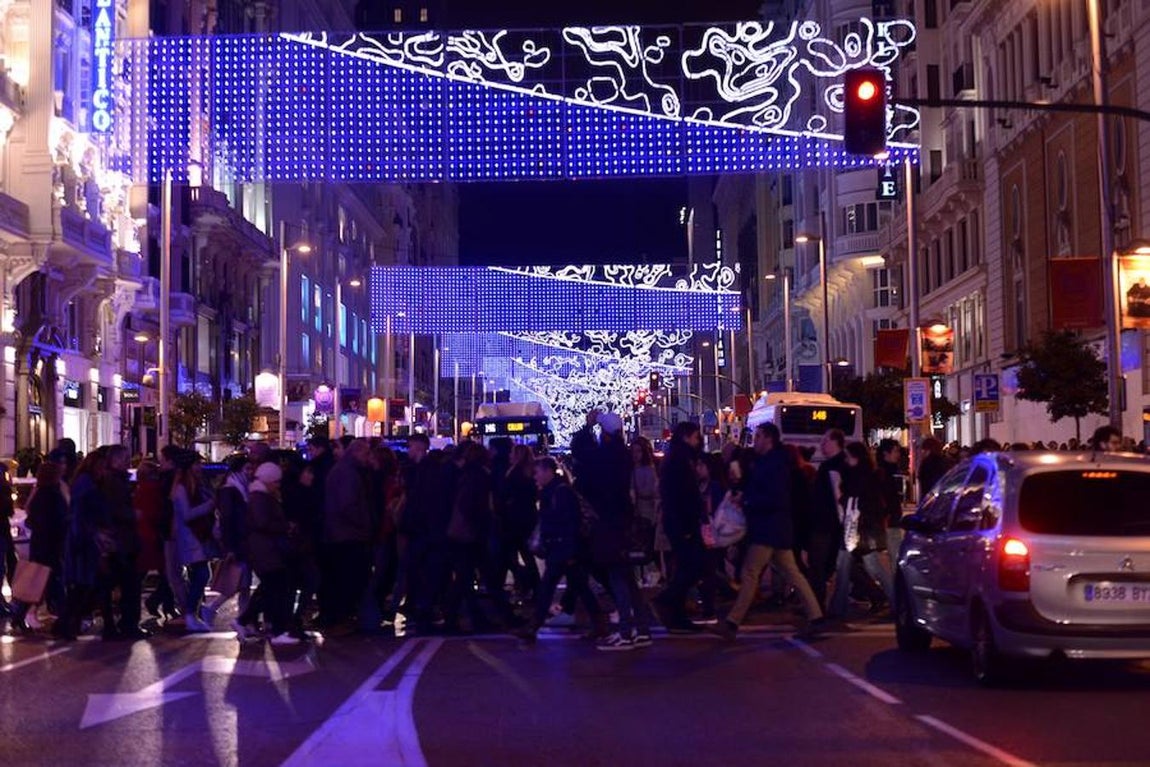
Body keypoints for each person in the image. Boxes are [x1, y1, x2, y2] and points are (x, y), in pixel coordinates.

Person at [712, 424, 824, 640]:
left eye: (758, 437)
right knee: (792, 573)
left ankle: (732, 622)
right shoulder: (771, 461)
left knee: (750, 573)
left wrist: (746, 500)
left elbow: (775, 498)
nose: (755, 440)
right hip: (775, 528)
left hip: (768, 528)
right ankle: (816, 617)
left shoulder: (773, 464)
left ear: (768, 439)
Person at [576, 411, 653, 651]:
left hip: (609, 523)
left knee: (617, 575)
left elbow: (583, 460)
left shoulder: (605, 457)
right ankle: (641, 629)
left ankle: (626, 632)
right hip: (623, 520)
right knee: (628, 578)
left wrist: (586, 429)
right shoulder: (623, 455)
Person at [515, 457, 606, 643]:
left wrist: (568, 548)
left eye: (538, 472)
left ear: (548, 471)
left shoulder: (559, 493)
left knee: (550, 587)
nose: (535, 477)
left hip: (563, 548)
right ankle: (598, 624)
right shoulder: (557, 491)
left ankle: (534, 626)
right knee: (577, 587)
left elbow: (571, 523)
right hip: (562, 547)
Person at [234, 462, 299, 645]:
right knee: (274, 587)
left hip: (264, 549)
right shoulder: (261, 497)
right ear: (269, 480)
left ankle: (245, 620)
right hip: (265, 549)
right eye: (276, 481)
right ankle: (274, 630)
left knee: (270, 587)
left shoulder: (259, 495)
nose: (278, 485)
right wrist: (285, 526)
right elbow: (262, 523)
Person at [829, 442, 895, 619]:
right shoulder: (869, 475)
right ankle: (896, 602)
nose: (846, 460)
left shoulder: (859, 478)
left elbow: (853, 501)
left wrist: (842, 496)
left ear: (855, 457)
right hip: (861, 528)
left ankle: (838, 608)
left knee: (844, 566)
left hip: (856, 528)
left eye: (848, 457)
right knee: (872, 566)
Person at [653, 421, 707, 633]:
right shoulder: (681, 460)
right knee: (692, 567)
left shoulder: (677, 458)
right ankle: (668, 602)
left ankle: (676, 613)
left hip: (680, 521)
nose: (698, 441)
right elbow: (683, 495)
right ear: (687, 437)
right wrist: (687, 524)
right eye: (696, 437)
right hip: (683, 523)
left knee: (687, 568)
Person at [320, 439, 374, 631]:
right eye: (366, 454)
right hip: (348, 534)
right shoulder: (348, 474)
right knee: (348, 579)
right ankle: (341, 618)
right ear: (357, 453)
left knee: (344, 578)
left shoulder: (343, 471)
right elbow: (348, 505)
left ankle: (342, 617)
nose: (369, 458)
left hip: (341, 533)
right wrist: (363, 525)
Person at [444, 442, 495, 634]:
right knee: (465, 578)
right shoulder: (478, 476)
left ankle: (464, 617)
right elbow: (471, 506)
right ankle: (471, 617)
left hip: (462, 533)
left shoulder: (464, 474)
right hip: (469, 533)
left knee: (464, 578)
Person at [10, 462, 68, 631]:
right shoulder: (51, 494)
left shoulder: (40, 494)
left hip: (42, 544)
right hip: (50, 545)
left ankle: (19, 615)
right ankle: (64, 622)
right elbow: (57, 520)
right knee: (50, 583)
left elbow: (31, 520)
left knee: (38, 583)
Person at [100, 445, 147, 639]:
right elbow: (115, 510)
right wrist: (132, 514)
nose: (129, 461)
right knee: (129, 585)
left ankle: (117, 624)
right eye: (125, 458)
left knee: (116, 584)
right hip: (122, 542)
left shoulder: (113, 481)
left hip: (120, 541)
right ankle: (128, 625)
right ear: (116, 460)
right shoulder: (114, 483)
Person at [202, 455, 253, 627]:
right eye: (247, 468)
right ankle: (213, 608)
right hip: (237, 542)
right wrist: (230, 546)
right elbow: (228, 520)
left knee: (243, 584)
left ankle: (244, 620)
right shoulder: (230, 490)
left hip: (242, 541)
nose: (250, 472)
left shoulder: (240, 488)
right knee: (239, 582)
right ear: (238, 470)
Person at [171, 451, 217, 633]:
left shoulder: (195, 485)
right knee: (201, 573)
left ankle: (192, 613)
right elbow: (187, 514)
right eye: (196, 464)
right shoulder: (182, 487)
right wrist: (209, 505)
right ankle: (190, 613)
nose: (200, 467)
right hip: (190, 535)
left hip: (197, 535)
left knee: (200, 574)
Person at [807, 429, 847, 613]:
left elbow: (836, 495)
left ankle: (816, 606)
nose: (821, 445)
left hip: (826, 524)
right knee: (839, 564)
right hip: (836, 524)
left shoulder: (830, 467)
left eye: (825, 441)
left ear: (834, 442)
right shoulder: (842, 464)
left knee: (819, 565)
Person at [875, 439, 905, 575]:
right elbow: (885, 497)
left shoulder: (891, 470)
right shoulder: (883, 473)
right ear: (886, 453)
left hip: (891, 519)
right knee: (895, 556)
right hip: (889, 520)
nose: (898, 454)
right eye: (895, 451)